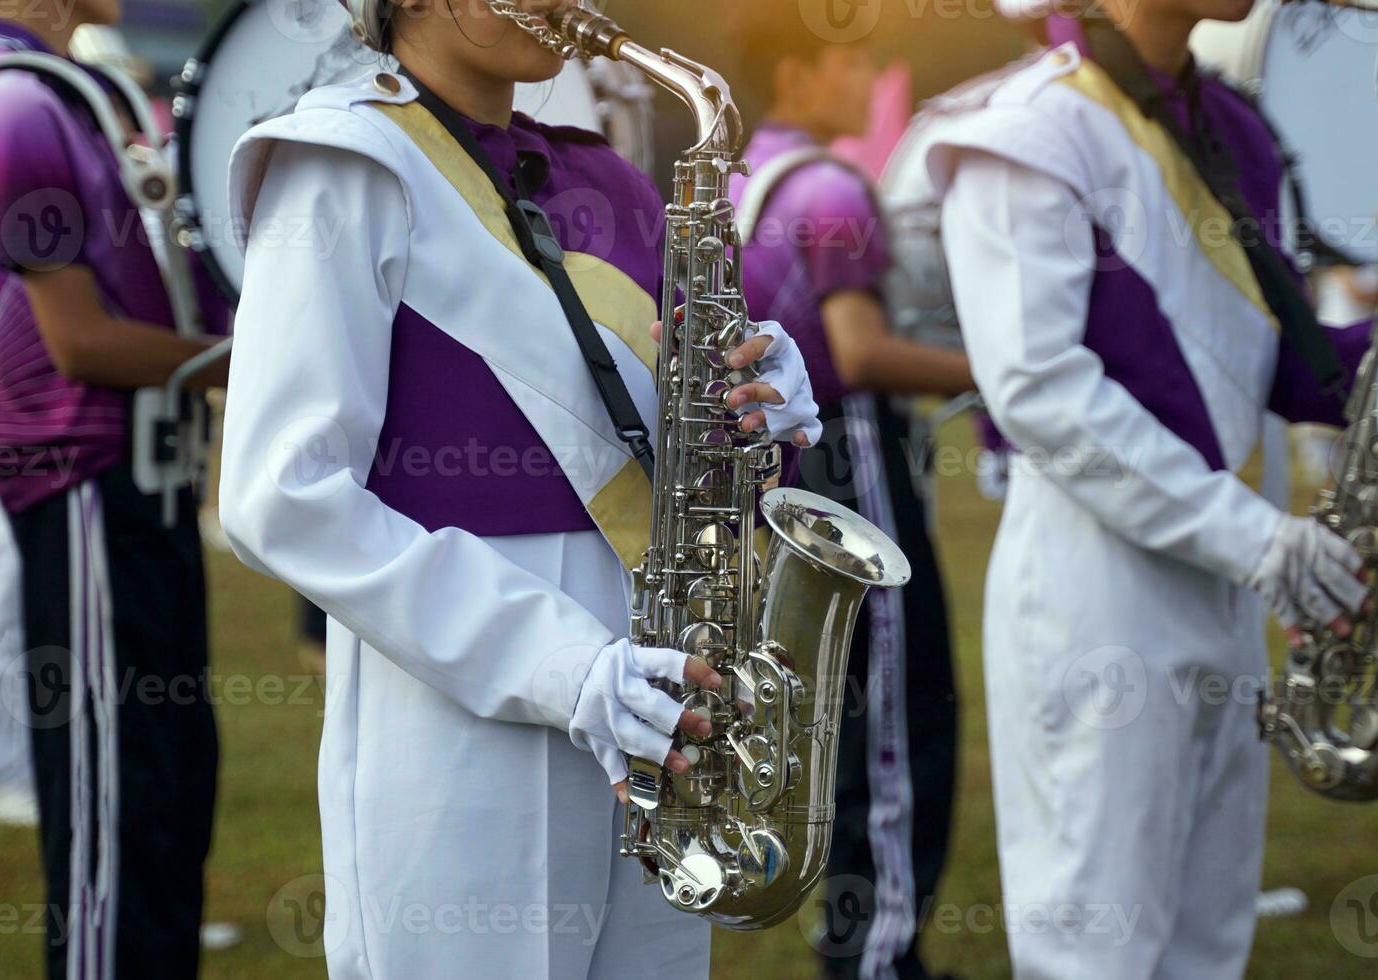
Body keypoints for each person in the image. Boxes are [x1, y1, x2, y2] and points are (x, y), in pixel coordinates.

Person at [217, 1, 823, 977]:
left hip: (660, 683)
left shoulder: (608, 177)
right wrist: (563, 665)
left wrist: (755, 409)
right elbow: (279, 493)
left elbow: (669, 457)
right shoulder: (341, 161)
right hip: (468, 703)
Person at [927, 0, 1372, 976]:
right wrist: (1257, 539)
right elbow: (1042, 393)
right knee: (1097, 944)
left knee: (1208, 942)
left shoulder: (1237, 127)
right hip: (1101, 587)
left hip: (1226, 570)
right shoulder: (1025, 130)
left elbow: (1287, 358)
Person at [0, 1, 229, 975]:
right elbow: (79, 340)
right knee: (112, 808)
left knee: (171, 786)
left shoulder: (87, 93)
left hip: (145, 479)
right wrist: (246, 362)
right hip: (81, 481)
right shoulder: (16, 105)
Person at [730, 15, 974, 980]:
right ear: (794, 70)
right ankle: (878, 956)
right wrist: (1006, 368)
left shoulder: (750, 172)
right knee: (899, 719)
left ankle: (858, 940)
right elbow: (863, 351)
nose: (871, 76)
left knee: (837, 715)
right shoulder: (830, 184)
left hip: (788, 465)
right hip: (852, 454)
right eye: (852, 56)